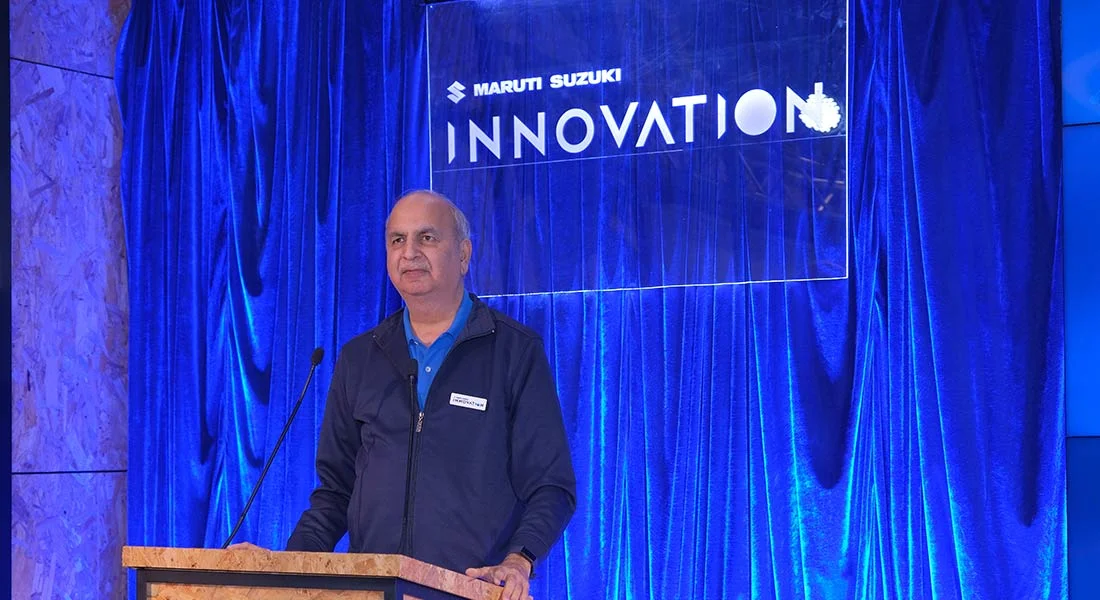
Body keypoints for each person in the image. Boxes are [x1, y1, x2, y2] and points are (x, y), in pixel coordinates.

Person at [287, 190, 576, 600]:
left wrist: (518, 559)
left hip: (471, 591)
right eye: (397, 240)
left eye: (426, 237)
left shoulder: (515, 352)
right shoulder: (359, 358)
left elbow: (551, 486)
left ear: (463, 255)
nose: (409, 253)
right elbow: (335, 494)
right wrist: (284, 567)